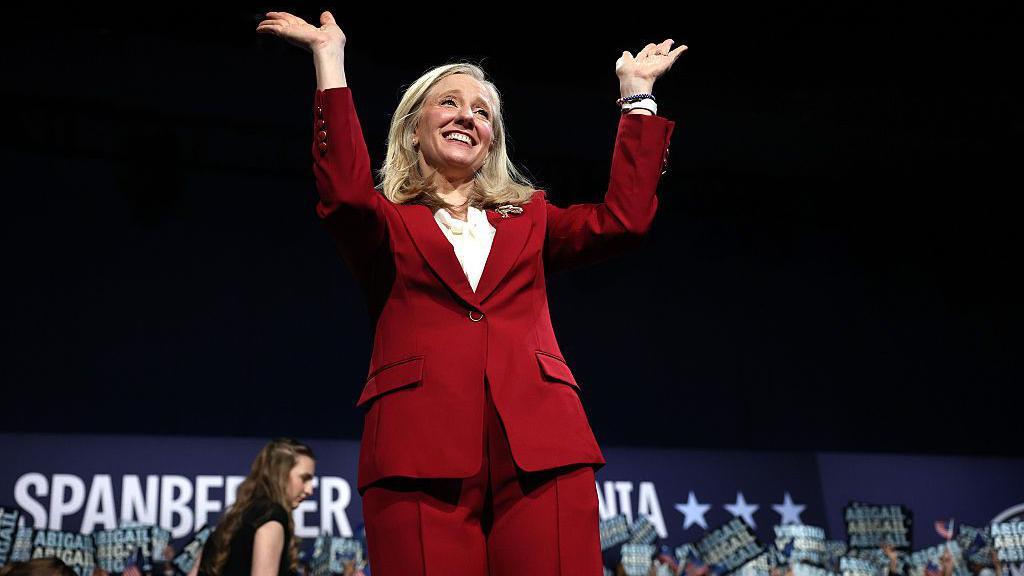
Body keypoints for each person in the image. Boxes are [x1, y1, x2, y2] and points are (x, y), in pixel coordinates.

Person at [256, 10, 684, 576]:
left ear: (491, 142)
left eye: (482, 112)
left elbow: (624, 220)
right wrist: (329, 60)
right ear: (414, 127)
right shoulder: (385, 223)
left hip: (543, 447)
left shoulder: (531, 218)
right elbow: (346, 195)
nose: (467, 116)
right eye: (450, 103)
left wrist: (638, 97)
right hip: (418, 450)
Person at [194, 438, 315, 576]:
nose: (309, 490)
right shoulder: (272, 518)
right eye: (304, 478)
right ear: (281, 474)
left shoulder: (232, 520)